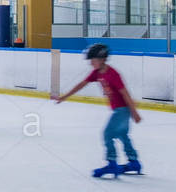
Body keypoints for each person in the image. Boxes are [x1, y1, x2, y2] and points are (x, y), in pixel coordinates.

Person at [53, 43, 143, 178]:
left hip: (122, 110)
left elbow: (125, 93)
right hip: (119, 110)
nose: (91, 64)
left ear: (102, 59)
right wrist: (64, 97)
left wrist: (134, 112)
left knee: (107, 134)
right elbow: (81, 85)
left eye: (93, 60)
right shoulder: (97, 73)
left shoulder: (113, 74)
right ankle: (134, 162)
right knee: (122, 135)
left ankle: (112, 163)